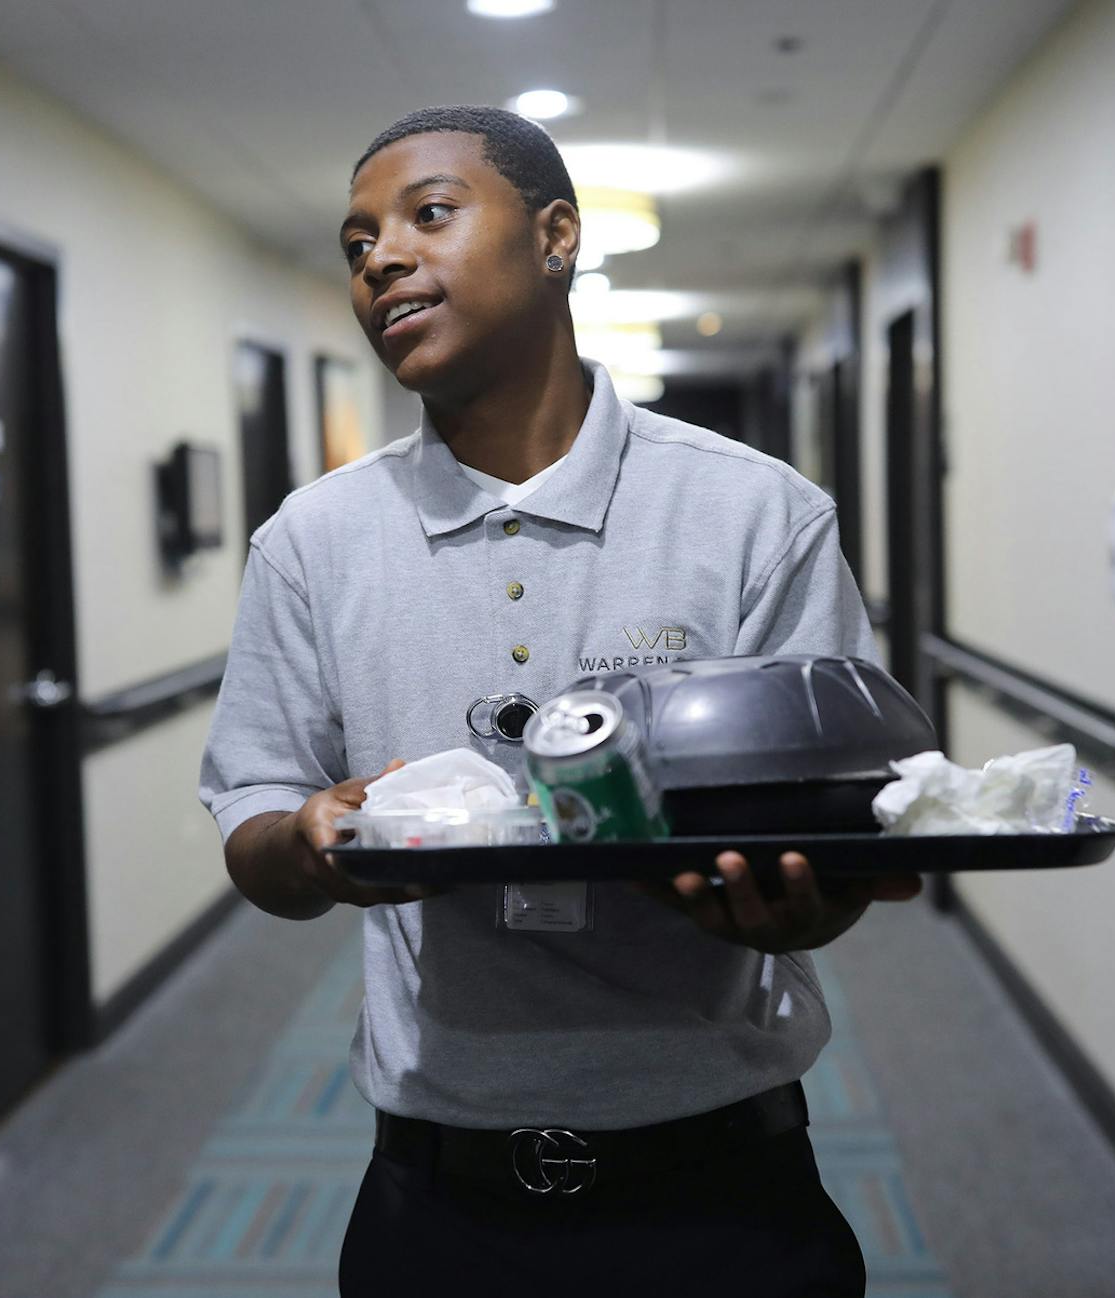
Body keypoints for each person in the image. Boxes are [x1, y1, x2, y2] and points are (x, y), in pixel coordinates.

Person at [198, 105, 922, 1297]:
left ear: (557, 236)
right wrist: (314, 842)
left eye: (429, 214)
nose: (379, 258)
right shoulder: (311, 543)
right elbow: (258, 815)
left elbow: (839, 824)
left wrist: (798, 912)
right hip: (436, 1201)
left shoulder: (755, 514)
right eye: (356, 242)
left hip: (725, 1190)